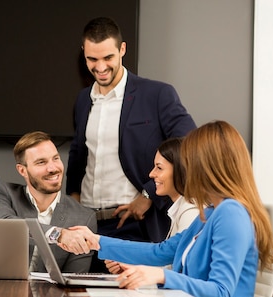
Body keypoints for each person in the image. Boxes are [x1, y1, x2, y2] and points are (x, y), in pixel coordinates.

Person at [66, 121, 273, 297]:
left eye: (189, 162)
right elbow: (160, 252)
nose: (186, 170)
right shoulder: (212, 213)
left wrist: (161, 276)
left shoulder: (230, 214)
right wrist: (96, 241)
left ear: (208, 166)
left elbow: (220, 293)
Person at [66, 16, 196, 271]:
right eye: (92, 59)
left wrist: (148, 194)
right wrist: (73, 204)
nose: (100, 67)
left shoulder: (157, 94)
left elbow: (190, 146)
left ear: (122, 49)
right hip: (88, 224)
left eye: (108, 58)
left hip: (135, 226)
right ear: (84, 53)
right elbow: (79, 154)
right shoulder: (83, 99)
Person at [0, 131, 96, 272]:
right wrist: (58, 234)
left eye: (56, 159)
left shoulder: (84, 217)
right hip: (3, 290)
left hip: (51, 293)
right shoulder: (5, 194)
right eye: (41, 162)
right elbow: (6, 225)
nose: (53, 168)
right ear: (22, 171)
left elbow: (74, 280)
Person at [106, 138, 199, 273]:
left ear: (180, 169)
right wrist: (131, 268)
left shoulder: (191, 211)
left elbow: (179, 269)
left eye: (159, 168)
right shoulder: (181, 208)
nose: (151, 174)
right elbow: (170, 264)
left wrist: (98, 242)